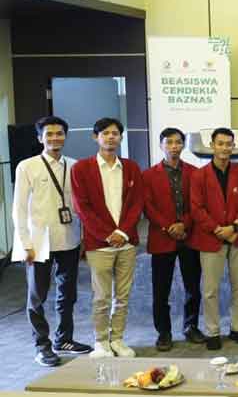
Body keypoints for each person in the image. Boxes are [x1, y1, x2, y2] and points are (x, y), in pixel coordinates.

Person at [13, 116, 91, 366]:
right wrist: (24, 243)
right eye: (49, 134)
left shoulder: (75, 165)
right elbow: (19, 208)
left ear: (65, 136)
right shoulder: (27, 166)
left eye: (59, 133)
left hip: (68, 238)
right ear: (40, 138)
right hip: (38, 241)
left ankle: (64, 339)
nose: (55, 138)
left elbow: (80, 206)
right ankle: (42, 345)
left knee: (67, 294)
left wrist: (84, 238)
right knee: (37, 297)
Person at [71, 117, 143, 359]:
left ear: (121, 137)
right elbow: (82, 207)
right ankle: (101, 341)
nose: (111, 137)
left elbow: (136, 203)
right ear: (96, 137)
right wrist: (107, 233)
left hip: (127, 242)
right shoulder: (81, 168)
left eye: (115, 133)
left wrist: (122, 232)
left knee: (123, 296)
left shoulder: (131, 167)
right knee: (101, 296)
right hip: (98, 243)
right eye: (105, 133)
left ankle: (118, 339)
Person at [189, 127, 238, 350]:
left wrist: (235, 225)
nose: (225, 148)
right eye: (221, 143)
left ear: (234, 147)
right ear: (212, 146)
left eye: (229, 144)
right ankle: (212, 331)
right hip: (211, 238)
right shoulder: (199, 175)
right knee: (210, 289)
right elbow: (197, 209)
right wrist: (218, 229)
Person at [143, 128, 204, 352]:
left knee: (193, 287)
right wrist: (168, 226)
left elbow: (198, 204)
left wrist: (184, 224)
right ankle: (164, 332)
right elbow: (147, 206)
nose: (174, 146)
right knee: (161, 289)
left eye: (178, 142)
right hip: (162, 237)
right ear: (161, 145)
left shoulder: (195, 173)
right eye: (169, 142)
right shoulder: (148, 175)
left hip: (189, 237)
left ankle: (191, 327)